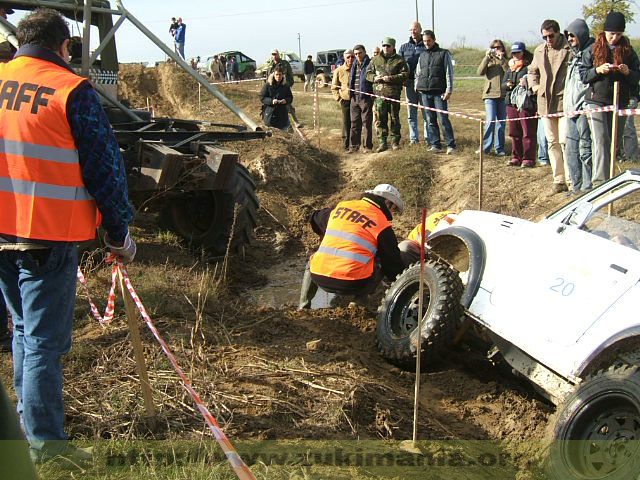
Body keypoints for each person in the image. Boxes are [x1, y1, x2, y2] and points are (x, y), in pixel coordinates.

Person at [0, 8, 135, 465]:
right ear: (64, 47)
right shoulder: (70, 90)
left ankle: (28, 427)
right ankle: (48, 448)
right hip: (46, 236)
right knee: (43, 343)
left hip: (2, 232)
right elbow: (105, 169)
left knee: (22, 329)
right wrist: (118, 233)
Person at [298, 184, 406, 309]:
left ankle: (303, 305)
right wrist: (400, 278)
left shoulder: (343, 207)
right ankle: (358, 303)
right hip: (352, 284)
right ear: (387, 203)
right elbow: (393, 264)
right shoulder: (382, 224)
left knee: (314, 259)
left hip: (318, 277)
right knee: (380, 260)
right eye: (394, 209)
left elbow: (315, 217)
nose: (393, 213)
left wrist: (324, 234)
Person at [580, 11, 640, 185]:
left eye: (619, 34)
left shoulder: (628, 51)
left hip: (618, 101)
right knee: (600, 140)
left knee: (613, 142)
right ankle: (599, 183)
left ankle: (610, 181)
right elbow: (583, 75)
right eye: (611, 33)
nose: (614, 37)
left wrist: (628, 72)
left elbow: (637, 75)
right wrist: (598, 70)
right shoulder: (592, 49)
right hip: (596, 100)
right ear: (605, 31)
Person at [528, 19, 571, 194]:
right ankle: (558, 180)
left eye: (551, 36)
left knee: (565, 141)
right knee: (552, 142)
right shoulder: (539, 51)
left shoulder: (569, 49)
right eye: (544, 36)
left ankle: (571, 179)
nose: (548, 39)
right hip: (545, 104)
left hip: (565, 102)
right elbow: (532, 71)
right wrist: (535, 87)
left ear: (559, 33)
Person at [563, 19, 594, 194]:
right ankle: (576, 187)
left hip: (584, 107)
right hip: (571, 109)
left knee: (585, 149)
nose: (570, 38)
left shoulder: (590, 52)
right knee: (571, 149)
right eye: (568, 36)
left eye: (572, 35)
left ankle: (587, 187)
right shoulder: (574, 55)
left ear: (581, 34)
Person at [415, 30, 456, 154]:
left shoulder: (443, 54)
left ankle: (451, 145)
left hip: (439, 92)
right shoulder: (422, 55)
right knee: (430, 119)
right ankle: (435, 144)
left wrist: (449, 90)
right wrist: (417, 86)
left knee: (443, 119)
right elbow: (418, 72)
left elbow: (449, 72)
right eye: (425, 41)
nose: (426, 43)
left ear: (434, 40)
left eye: (429, 40)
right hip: (425, 92)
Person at [365, 37, 409, 152]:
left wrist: (391, 78)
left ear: (393, 47)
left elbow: (405, 74)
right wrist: (374, 77)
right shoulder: (375, 60)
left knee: (394, 119)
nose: (386, 48)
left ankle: (395, 142)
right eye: (384, 45)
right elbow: (368, 74)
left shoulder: (399, 60)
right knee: (380, 120)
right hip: (379, 96)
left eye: (388, 46)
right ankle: (382, 142)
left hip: (393, 95)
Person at [503, 42, 537, 168]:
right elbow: (503, 85)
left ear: (523, 52)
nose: (515, 55)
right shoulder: (509, 68)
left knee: (527, 131)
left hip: (525, 103)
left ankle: (528, 158)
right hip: (511, 103)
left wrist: (525, 81)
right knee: (514, 131)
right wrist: (507, 85)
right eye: (513, 53)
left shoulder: (529, 66)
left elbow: (535, 79)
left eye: (518, 52)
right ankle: (516, 157)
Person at [477, 39, 508, 156]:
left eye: (499, 47)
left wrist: (502, 59)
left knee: (501, 123)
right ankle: (485, 147)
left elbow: (508, 71)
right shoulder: (489, 60)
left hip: (503, 95)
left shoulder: (506, 60)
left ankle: (499, 148)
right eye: (494, 47)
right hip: (489, 95)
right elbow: (480, 72)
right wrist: (486, 58)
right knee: (490, 120)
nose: (496, 49)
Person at [399, 21, 428, 145]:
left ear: (420, 30)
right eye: (410, 30)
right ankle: (413, 139)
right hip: (409, 83)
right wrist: (402, 79)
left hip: (424, 84)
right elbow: (399, 65)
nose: (413, 32)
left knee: (426, 113)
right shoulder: (404, 47)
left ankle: (428, 139)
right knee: (411, 113)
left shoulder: (426, 45)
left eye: (415, 29)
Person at [266, 49, 302, 127]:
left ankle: (295, 121)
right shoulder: (270, 66)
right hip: (273, 89)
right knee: (273, 106)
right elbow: (267, 78)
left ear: (278, 55)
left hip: (283, 87)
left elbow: (290, 75)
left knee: (287, 104)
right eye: (273, 54)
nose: (274, 56)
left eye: (275, 54)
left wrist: (287, 86)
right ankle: (272, 122)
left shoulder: (285, 64)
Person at [350, 44, 374, 153]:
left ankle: (367, 147)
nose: (357, 55)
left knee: (366, 123)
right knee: (354, 123)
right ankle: (354, 147)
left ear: (364, 52)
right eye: (355, 54)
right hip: (354, 98)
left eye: (359, 53)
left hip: (365, 97)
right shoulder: (354, 64)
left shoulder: (370, 63)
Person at [332, 50, 354, 152]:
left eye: (352, 57)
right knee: (346, 123)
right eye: (348, 57)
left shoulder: (357, 69)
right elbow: (334, 87)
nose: (350, 59)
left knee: (356, 123)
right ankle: (345, 146)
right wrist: (339, 99)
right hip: (345, 100)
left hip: (356, 100)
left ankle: (355, 145)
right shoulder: (339, 70)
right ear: (344, 58)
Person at [259, 66, 293, 130]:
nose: (278, 76)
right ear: (273, 75)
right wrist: (271, 101)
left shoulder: (285, 86)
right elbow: (262, 97)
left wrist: (286, 100)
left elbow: (290, 97)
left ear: (282, 75)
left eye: (280, 74)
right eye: (276, 74)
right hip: (270, 114)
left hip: (282, 115)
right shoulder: (268, 85)